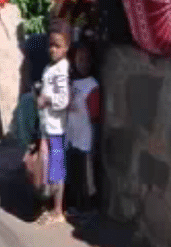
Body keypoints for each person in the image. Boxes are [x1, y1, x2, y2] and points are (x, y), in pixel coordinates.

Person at [36, 18, 71, 224]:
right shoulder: (51, 68)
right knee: (49, 168)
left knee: (57, 170)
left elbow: (63, 100)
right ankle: (49, 205)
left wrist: (46, 99)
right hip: (48, 127)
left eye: (58, 46)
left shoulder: (61, 71)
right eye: (51, 45)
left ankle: (58, 211)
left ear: (66, 47)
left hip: (57, 129)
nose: (53, 49)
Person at [65, 42, 100, 223]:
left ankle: (88, 209)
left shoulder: (92, 86)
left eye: (87, 60)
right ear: (73, 61)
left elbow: (94, 116)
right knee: (76, 175)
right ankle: (76, 206)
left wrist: (94, 141)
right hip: (72, 138)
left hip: (85, 140)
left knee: (87, 178)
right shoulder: (73, 82)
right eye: (80, 59)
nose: (84, 63)